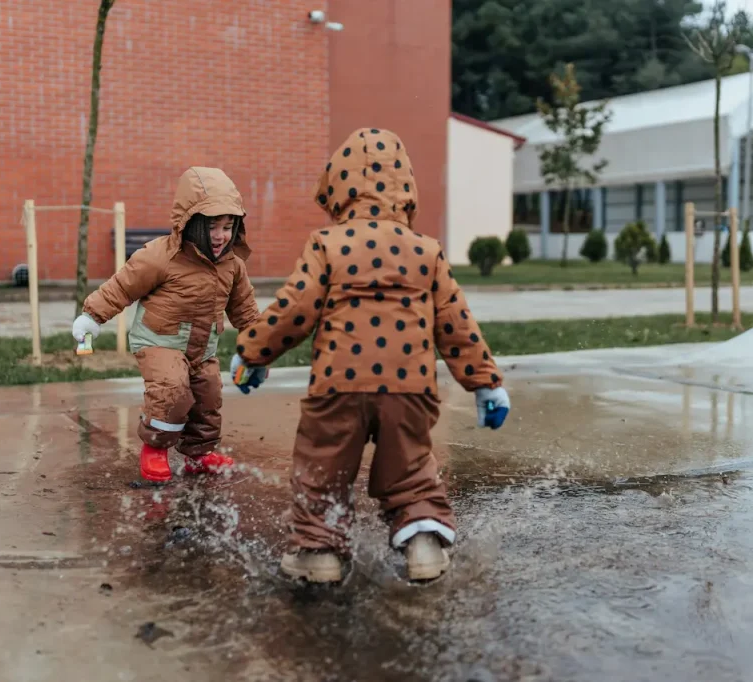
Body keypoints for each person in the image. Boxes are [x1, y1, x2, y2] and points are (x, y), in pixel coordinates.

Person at [231, 128, 510, 583]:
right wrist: (485, 383)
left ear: (339, 187)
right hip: (409, 386)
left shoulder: (329, 244)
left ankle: (319, 554)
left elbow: (295, 307)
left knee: (322, 464)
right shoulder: (427, 251)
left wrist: (254, 352)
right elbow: (456, 322)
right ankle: (423, 548)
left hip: (338, 384)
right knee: (412, 466)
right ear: (406, 188)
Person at [72, 167, 264, 483]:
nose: (221, 236)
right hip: (158, 340)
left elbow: (246, 310)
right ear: (190, 224)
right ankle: (155, 449)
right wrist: (92, 316)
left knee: (208, 396)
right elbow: (122, 286)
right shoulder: (161, 256)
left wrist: (259, 347)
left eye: (228, 227)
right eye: (212, 227)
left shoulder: (232, 265)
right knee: (172, 389)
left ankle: (198, 455)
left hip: (202, 347)